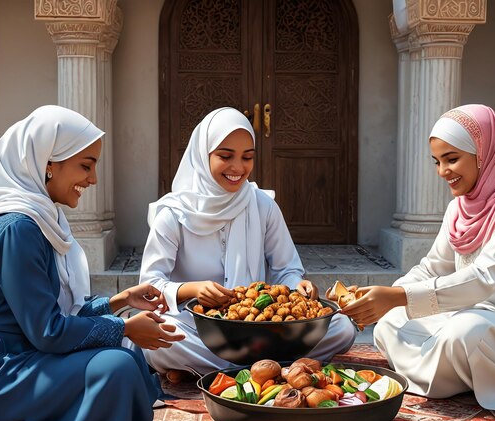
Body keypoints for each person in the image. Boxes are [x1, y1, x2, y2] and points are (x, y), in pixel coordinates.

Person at [0, 105, 184, 421]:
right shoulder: (18, 228)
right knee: (117, 365)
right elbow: (48, 331)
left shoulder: (38, 216)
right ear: (49, 163)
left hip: (19, 356)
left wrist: (119, 302)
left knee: (124, 354)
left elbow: (52, 313)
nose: (93, 179)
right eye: (86, 164)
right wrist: (123, 326)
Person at [338, 104, 495, 410]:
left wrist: (398, 295)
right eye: (437, 162)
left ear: (484, 152)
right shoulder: (460, 207)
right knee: (391, 322)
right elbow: (432, 267)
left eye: (452, 159)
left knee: (466, 333)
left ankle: (448, 376)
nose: (443, 172)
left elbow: (483, 278)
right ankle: (458, 374)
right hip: (474, 314)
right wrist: (384, 299)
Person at [139, 107, 357, 376]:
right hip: (199, 327)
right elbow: (149, 287)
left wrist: (297, 284)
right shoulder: (173, 212)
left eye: (248, 157)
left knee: (342, 328)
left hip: (260, 330)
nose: (238, 168)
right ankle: (273, 369)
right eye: (225, 156)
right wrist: (193, 289)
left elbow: (286, 269)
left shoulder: (262, 204)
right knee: (158, 340)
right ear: (202, 155)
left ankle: (215, 370)